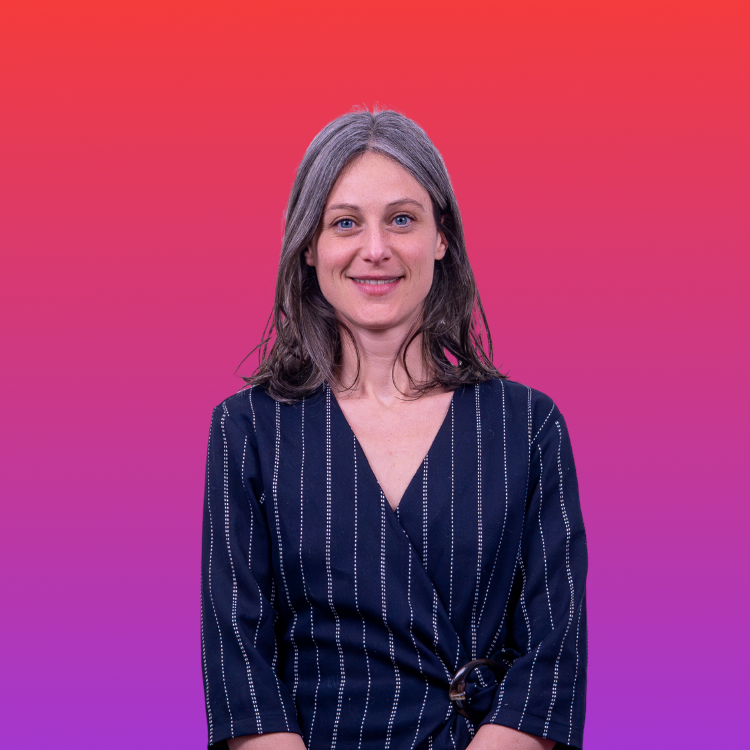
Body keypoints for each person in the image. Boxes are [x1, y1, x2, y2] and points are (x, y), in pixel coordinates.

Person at [200, 109, 587, 750]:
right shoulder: (248, 429)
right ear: (309, 247)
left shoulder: (528, 426)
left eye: (402, 219)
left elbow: (553, 656)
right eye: (345, 223)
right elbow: (237, 660)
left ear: (441, 238)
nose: (375, 249)